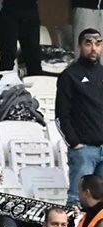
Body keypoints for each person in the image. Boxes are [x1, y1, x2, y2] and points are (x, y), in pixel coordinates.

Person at [58, 29, 103, 208]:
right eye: (88, 43)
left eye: (98, 44)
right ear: (79, 46)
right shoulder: (69, 75)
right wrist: (75, 143)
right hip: (84, 150)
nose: (93, 48)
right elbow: (61, 115)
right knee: (77, 200)